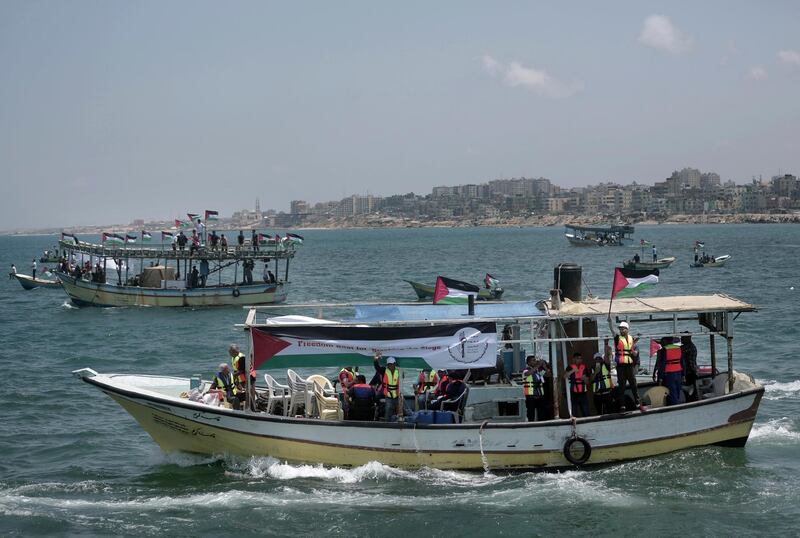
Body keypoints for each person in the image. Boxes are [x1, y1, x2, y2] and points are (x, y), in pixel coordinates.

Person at [611, 320, 643, 411]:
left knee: (634, 384)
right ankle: (622, 405)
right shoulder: (617, 338)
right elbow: (612, 330)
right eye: (620, 329)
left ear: (627, 329)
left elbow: (632, 347)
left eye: (623, 329)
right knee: (622, 386)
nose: (621, 330)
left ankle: (637, 403)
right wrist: (610, 322)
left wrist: (635, 352)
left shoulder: (630, 338)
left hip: (629, 365)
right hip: (620, 366)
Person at [373, 353, 411, 420]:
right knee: (388, 409)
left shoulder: (399, 371)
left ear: (395, 364)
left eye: (392, 364)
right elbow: (377, 367)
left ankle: (412, 419)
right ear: (387, 365)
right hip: (388, 396)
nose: (390, 365)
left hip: (398, 395)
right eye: (389, 364)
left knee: (406, 409)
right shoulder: (384, 371)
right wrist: (376, 360)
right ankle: (387, 423)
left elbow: (402, 378)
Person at [653, 336, 685, 406]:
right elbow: (682, 363)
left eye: (662, 342)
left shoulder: (664, 350)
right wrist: (683, 375)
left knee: (671, 393)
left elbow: (662, 365)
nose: (661, 344)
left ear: (666, 341)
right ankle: (677, 406)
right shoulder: (679, 348)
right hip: (679, 373)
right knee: (677, 392)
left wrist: (660, 378)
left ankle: (674, 409)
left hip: (669, 374)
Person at [522, 356, 550, 421]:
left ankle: (541, 425)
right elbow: (528, 373)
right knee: (531, 414)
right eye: (533, 360)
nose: (535, 362)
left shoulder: (539, 371)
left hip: (540, 396)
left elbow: (548, 375)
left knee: (541, 413)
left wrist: (544, 366)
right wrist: (538, 365)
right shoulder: (525, 370)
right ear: (528, 363)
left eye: (535, 360)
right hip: (530, 396)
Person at [229, 343, 256, 409]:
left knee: (249, 393)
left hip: (249, 377)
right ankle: (247, 405)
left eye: (234, 351)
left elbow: (242, 370)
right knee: (244, 391)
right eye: (231, 351)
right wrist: (236, 381)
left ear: (237, 351)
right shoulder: (234, 358)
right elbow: (236, 369)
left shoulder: (241, 358)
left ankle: (251, 408)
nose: (231, 353)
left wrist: (233, 376)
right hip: (242, 377)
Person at [564, 352, 590, 417]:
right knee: (574, 412)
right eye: (578, 358)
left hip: (583, 393)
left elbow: (587, 382)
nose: (580, 360)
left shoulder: (584, 367)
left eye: (581, 358)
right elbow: (565, 376)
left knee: (585, 411)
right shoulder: (569, 367)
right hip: (573, 393)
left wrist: (584, 379)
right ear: (574, 359)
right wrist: (573, 370)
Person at [681, 334, 699, 401]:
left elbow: (691, 362)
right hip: (690, 371)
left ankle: (691, 401)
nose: (681, 339)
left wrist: (694, 372)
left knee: (691, 389)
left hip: (690, 372)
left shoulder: (689, 347)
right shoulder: (689, 346)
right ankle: (691, 400)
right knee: (691, 389)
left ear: (688, 338)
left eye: (683, 338)